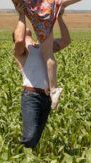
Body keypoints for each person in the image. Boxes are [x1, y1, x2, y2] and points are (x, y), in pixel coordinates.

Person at [13, 11, 71, 149]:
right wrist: (21, 15)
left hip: (46, 97)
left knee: (35, 139)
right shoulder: (21, 52)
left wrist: (60, 18)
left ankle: (26, 161)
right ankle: (16, 155)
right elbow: (20, 39)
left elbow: (66, 41)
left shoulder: (43, 48)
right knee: (30, 137)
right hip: (31, 96)